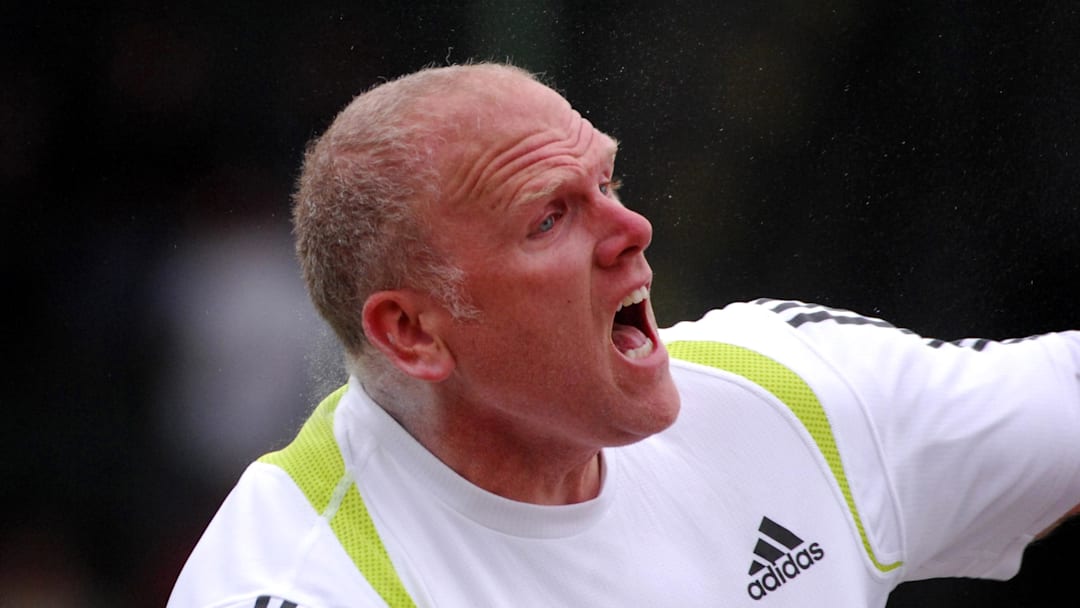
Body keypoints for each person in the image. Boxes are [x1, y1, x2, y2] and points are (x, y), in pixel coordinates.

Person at [167, 62, 1080, 607]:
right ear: (412, 333)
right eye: (549, 219)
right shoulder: (305, 579)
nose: (631, 227)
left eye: (607, 181)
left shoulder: (786, 393)